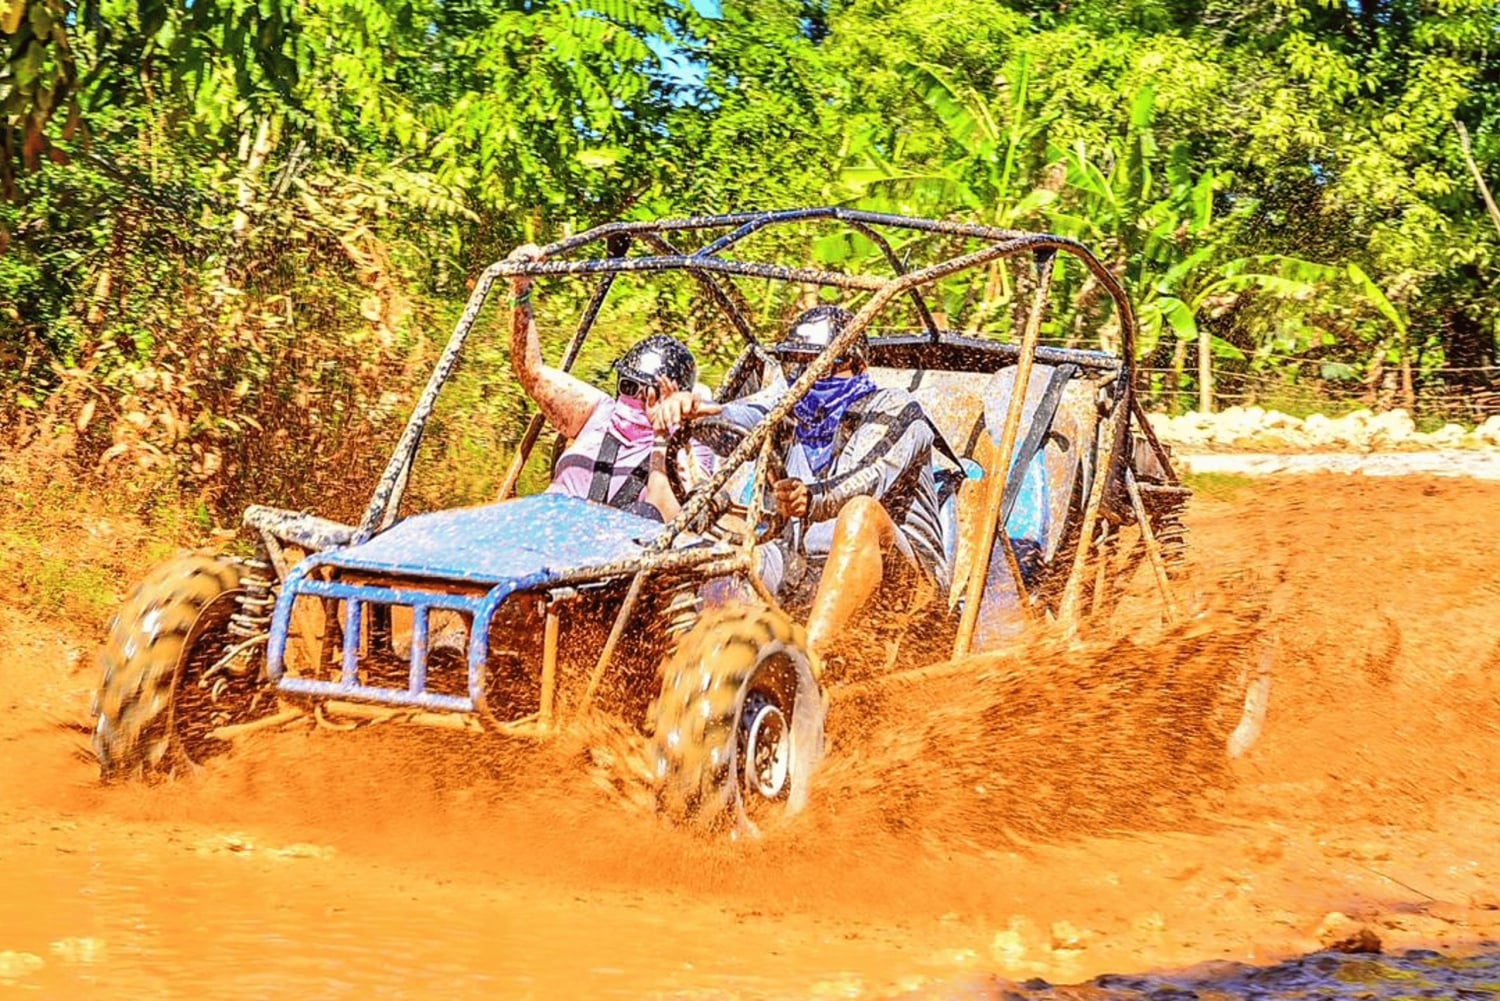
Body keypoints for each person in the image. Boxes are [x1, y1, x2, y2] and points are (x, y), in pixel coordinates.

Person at [655, 305, 949, 663]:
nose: (803, 378)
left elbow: (867, 477)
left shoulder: (896, 408)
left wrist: (812, 498)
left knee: (859, 514)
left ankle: (808, 664)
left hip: (903, 586)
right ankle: (694, 661)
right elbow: (744, 418)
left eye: (815, 366)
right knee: (721, 543)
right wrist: (698, 410)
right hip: (801, 569)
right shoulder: (792, 406)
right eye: (794, 364)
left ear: (855, 365)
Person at [507, 244, 703, 520]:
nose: (633, 400)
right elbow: (532, 372)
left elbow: (675, 522)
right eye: (627, 386)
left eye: (645, 393)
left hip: (614, 556)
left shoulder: (687, 451)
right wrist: (521, 291)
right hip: (539, 536)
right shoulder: (598, 412)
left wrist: (663, 438)